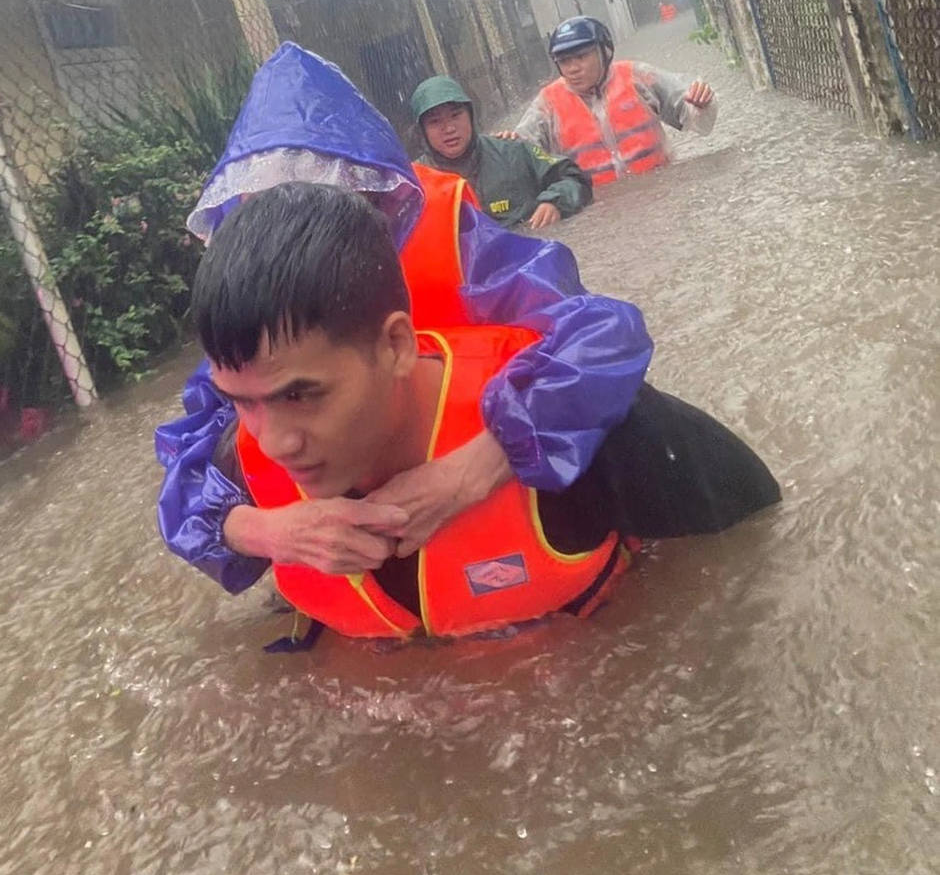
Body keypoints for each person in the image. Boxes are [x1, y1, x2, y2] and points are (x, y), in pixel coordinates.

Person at [156, 42, 652, 594]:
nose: (294, 231)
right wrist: (268, 531)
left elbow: (603, 335)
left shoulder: (456, 243)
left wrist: (473, 468)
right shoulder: (259, 321)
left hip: (491, 480)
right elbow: (190, 470)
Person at [187, 183, 780, 640]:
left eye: (300, 396)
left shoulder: (571, 421)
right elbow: (188, 517)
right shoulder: (241, 469)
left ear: (396, 345)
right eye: (241, 401)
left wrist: (485, 464)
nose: (275, 445)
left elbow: (759, 536)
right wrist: (263, 532)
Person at [509, 17, 718, 186]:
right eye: (564, 61)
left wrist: (702, 104)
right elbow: (521, 160)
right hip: (595, 208)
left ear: (604, 51)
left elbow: (695, 117)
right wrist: (505, 146)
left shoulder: (638, 77)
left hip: (660, 191)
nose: (573, 68)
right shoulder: (547, 104)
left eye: (581, 56)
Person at [410, 74, 591, 230]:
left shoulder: (512, 152)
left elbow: (575, 178)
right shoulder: (414, 182)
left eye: (456, 115)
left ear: (471, 116)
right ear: (422, 132)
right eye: (435, 122)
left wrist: (555, 203)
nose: (449, 128)